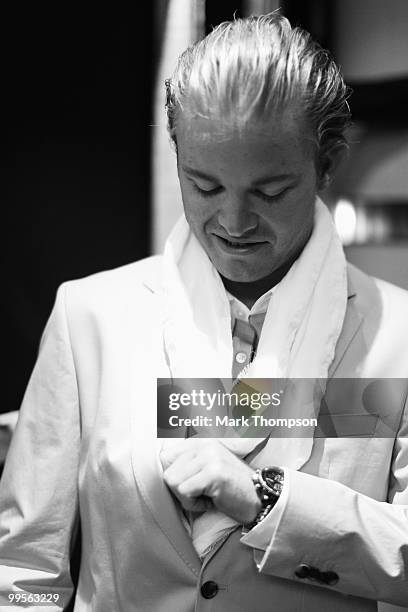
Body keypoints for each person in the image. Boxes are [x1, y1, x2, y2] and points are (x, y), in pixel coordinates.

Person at [0, 13, 407, 612]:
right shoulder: (91, 318)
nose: (234, 223)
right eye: (205, 186)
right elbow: (26, 568)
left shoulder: (397, 335)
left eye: (270, 192)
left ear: (328, 163)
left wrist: (267, 502)